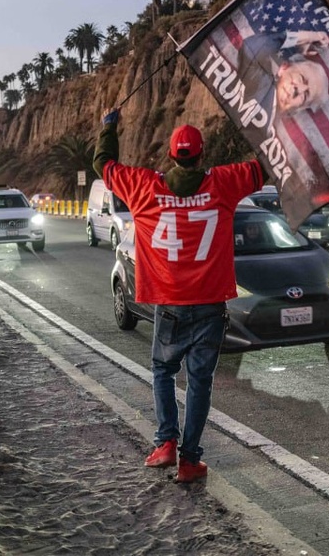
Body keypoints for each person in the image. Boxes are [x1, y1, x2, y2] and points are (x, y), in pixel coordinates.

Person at [94, 108, 263, 483]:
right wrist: (262, 120)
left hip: (169, 304)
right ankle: (190, 461)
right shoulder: (223, 183)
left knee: (163, 371)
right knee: (200, 382)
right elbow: (265, 166)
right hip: (210, 305)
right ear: (202, 155)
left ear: (171, 155)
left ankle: (165, 442)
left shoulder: (143, 187)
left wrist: (109, 127)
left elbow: (103, 164)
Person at [239, 30, 329, 119]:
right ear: (284, 68)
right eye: (301, 78)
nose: (298, 90)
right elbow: (251, 48)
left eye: (305, 95)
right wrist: (305, 38)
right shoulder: (259, 82)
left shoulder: (274, 125)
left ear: (296, 110)